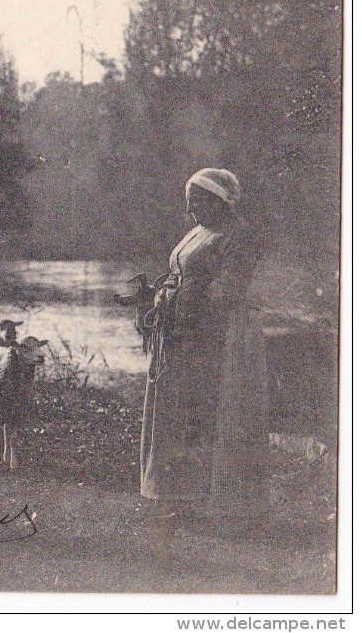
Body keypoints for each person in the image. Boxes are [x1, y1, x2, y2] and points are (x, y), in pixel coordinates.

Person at [140, 168, 268, 533]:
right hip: (187, 331)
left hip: (220, 336)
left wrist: (180, 300)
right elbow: (181, 272)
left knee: (212, 411)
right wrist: (161, 293)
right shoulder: (199, 231)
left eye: (197, 201)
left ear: (220, 201)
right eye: (188, 201)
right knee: (183, 410)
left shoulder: (238, 237)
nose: (190, 208)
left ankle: (221, 502)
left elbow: (228, 290)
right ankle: (181, 495)